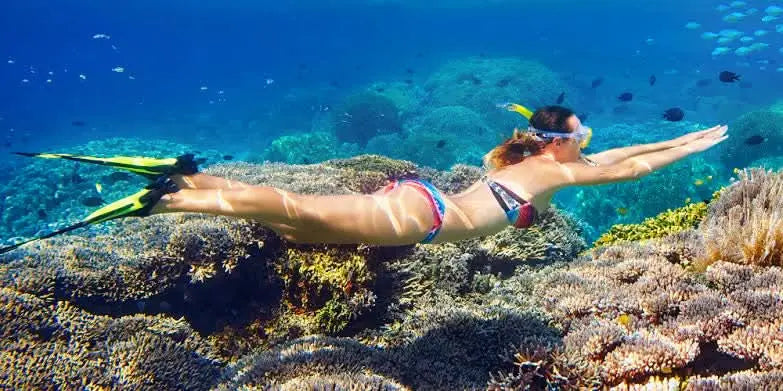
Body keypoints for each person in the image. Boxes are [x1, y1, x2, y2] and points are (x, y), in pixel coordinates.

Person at [0, 105, 728, 254]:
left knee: (291, 221)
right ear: (565, 144)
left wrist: (683, 134)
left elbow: (626, 150)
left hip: (415, 199)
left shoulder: (509, 159)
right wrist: (686, 146)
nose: (593, 146)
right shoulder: (547, 174)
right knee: (293, 210)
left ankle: (183, 186)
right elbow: (630, 162)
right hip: (421, 219)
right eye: (584, 137)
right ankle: (173, 191)